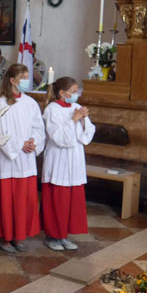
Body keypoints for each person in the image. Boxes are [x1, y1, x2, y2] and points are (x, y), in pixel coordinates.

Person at [0, 64, 44, 253]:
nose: (28, 81)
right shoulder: (1, 103)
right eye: (24, 77)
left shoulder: (31, 103)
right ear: (12, 81)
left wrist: (33, 141)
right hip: (7, 159)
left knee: (23, 200)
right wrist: (19, 145)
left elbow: (39, 128)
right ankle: (4, 237)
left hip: (26, 160)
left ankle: (18, 235)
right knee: (6, 199)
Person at [41, 77, 94, 251]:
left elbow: (87, 134)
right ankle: (52, 236)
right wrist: (73, 120)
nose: (76, 95)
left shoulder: (76, 107)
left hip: (74, 158)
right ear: (62, 93)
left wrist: (84, 119)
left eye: (77, 91)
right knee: (58, 199)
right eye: (73, 91)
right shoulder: (52, 109)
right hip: (59, 158)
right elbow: (58, 137)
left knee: (70, 200)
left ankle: (63, 235)